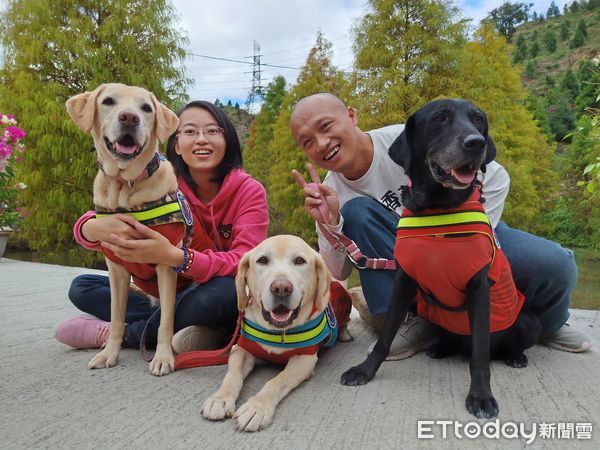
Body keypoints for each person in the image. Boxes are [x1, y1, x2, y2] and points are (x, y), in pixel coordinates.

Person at [290, 92, 591, 360]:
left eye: (325, 126)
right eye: (307, 141)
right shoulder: (329, 191)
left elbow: (497, 178)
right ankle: (413, 324)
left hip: (468, 234)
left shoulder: (408, 139)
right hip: (411, 257)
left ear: (352, 116)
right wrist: (330, 223)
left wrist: (473, 237)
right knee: (356, 212)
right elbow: (338, 271)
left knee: (556, 264)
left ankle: (548, 325)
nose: (321, 143)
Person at [55, 100, 268, 354]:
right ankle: (191, 326)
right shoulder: (159, 180)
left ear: (228, 141)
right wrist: (88, 228)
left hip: (210, 287)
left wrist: (175, 257)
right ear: (176, 144)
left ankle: (123, 333)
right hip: (160, 294)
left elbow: (246, 261)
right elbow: (114, 212)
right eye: (189, 132)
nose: (201, 139)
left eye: (212, 131)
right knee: (82, 287)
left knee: (225, 292)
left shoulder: (248, 191)